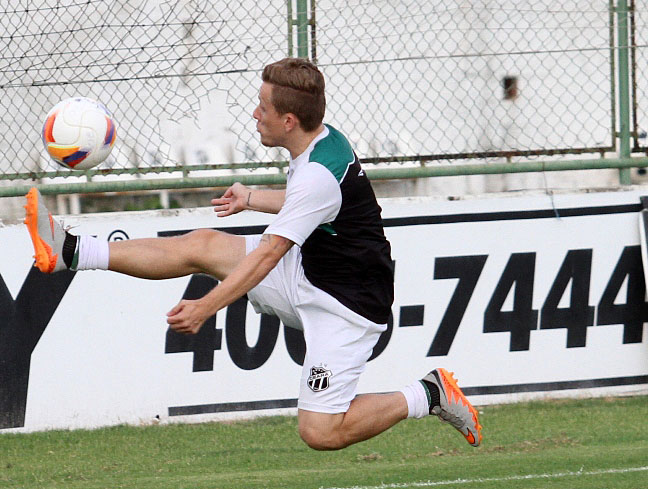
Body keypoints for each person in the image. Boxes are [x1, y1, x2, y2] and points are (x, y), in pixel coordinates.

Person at [24, 58, 482, 450]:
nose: (254, 113)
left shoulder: (319, 173)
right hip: (309, 273)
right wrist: (252, 198)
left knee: (320, 431)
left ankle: (428, 394)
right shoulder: (320, 144)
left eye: (263, 107)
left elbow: (268, 253)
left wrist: (206, 306)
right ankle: (70, 250)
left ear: (288, 121)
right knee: (202, 244)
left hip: (345, 309)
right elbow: (311, 206)